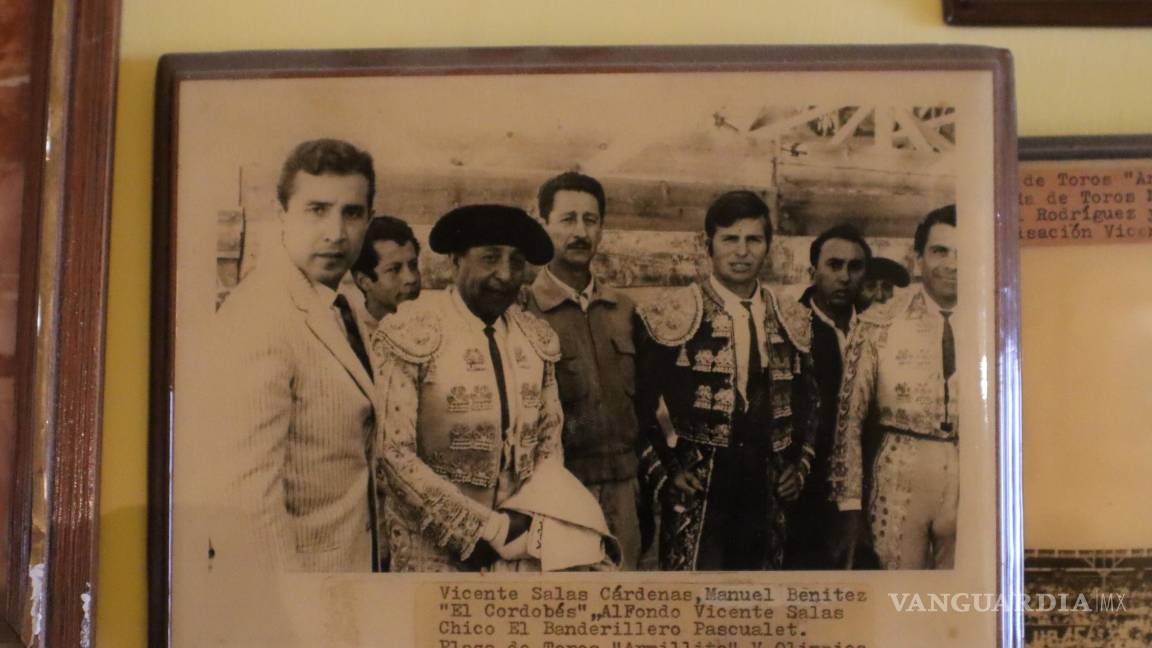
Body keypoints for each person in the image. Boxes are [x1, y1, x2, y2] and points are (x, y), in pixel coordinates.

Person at [373, 204, 618, 572]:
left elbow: (548, 448)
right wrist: (483, 530)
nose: (504, 275)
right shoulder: (410, 331)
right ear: (456, 261)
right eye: (490, 258)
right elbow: (393, 455)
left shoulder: (536, 338)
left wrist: (524, 522)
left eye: (516, 262)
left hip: (519, 549)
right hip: (433, 553)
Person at [215, 138, 382, 572]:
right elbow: (248, 498)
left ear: (369, 220)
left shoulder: (339, 304)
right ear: (282, 214)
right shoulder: (262, 314)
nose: (335, 233)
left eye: (352, 213)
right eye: (317, 209)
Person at [634, 190, 818, 571]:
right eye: (730, 239)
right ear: (709, 245)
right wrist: (666, 470)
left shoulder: (789, 315)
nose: (742, 251)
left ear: (768, 246)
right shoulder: (675, 311)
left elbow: (810, 403)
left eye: (753, 239)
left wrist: (798, 466)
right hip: (702, 481)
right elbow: (638, 404)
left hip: (766, 480)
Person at [522, 171, 643, 570]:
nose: (580, 232)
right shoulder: (524, 311)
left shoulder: (623, 310)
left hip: (626, 489)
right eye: (568, 219)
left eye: (591, 220)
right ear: (544, 225)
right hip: (561, 492)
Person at [830, 204, 959, 569]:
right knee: (900, 596)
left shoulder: (995, 322)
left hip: (974, 473)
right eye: (940, 251)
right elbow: (848, 422)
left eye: (963, 254)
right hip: (899, 476)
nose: (952, 265)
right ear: (918, 259)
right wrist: (849, 507)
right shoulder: (878, 323)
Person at [786, 223, 870, 570]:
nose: (844, 276)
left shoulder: (876, 330)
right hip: (806, 493)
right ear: (813, 271)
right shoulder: (790, 329)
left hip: (866, 490)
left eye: (855, 267)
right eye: (834, 265)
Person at [348, 214, 422, 334]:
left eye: (413, 265)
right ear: (364, 281)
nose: (411, 278)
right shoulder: (352, 338)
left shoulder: (432, 326)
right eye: (394, 269)